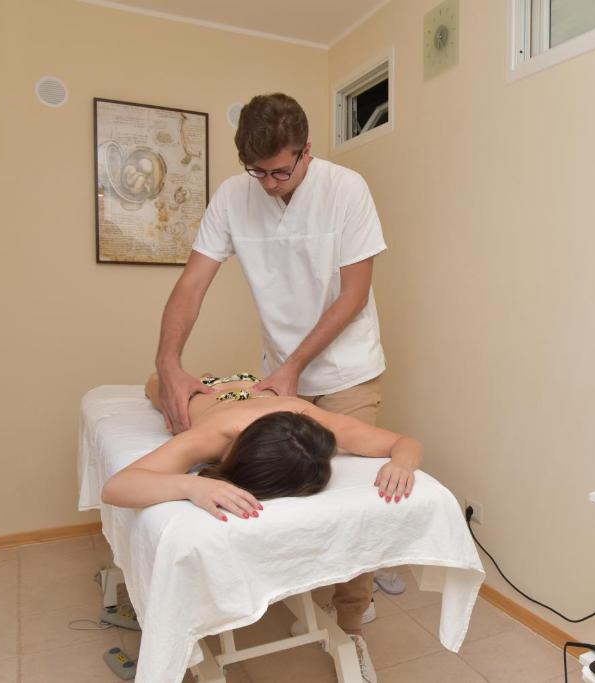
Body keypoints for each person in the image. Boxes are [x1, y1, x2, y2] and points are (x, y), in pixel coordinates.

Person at [153, 93, 389, 681]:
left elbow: (354, 295)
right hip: (276, 376)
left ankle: (351, 624)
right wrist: (169, 364)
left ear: (306, 151)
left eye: (281, 171)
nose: (269, 184)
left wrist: (295, 367)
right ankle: (298, 594)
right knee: (289, 489)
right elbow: (192, 284)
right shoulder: (235, 196)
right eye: (256, 172)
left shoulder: (346, 190)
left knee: (353, 502)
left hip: (345, 371)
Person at [102, 373, 421, 683]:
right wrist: (190, 485)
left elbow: (404, 443)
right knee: (157, 385)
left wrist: (401, 463)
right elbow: (117, 487)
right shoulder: (212, 435)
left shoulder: (309, 421)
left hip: (255, 387)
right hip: (205, 394)